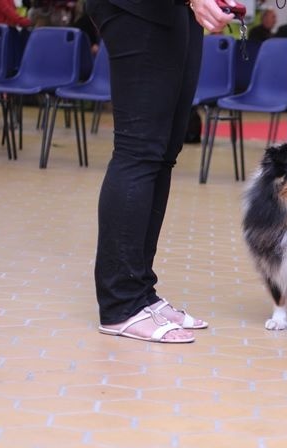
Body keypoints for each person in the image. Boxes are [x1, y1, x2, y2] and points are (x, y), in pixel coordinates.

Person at [86, 0, 235, 343]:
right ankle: (120, 305)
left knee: (163, 151)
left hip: (174, 10)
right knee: (138, 150)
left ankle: (140, 292)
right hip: (135, 8)